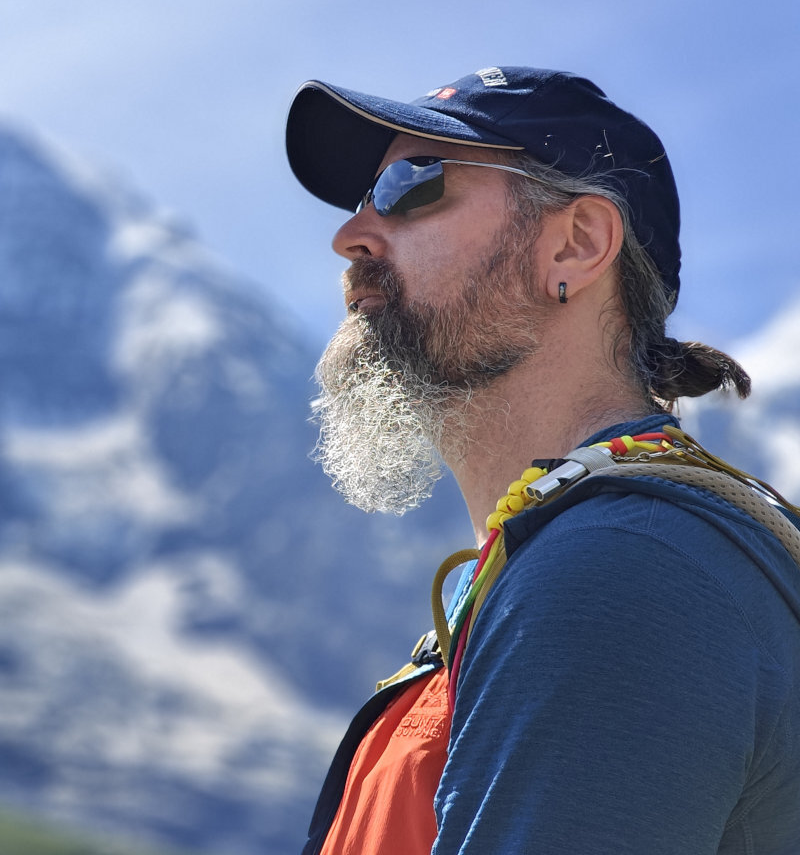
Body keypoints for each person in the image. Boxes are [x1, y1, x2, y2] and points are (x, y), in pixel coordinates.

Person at [285, 67, 800, 854]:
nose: (350, 236)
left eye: (410, 186)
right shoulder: (588, 553)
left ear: (576, 245)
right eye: (363, 199)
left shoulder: (625, 570)